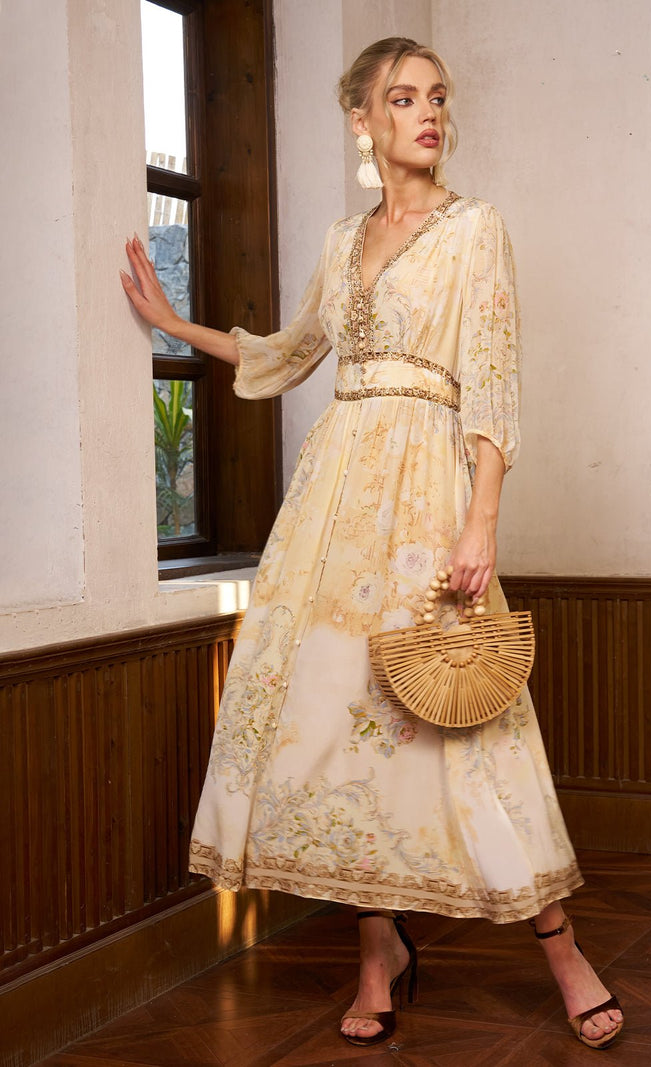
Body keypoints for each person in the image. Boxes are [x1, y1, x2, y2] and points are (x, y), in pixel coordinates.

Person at [121, 36, 624, 1052]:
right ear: (362, 120)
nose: (427, 114)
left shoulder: (474, 228)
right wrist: (176, 322)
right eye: (401, 99)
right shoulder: (341, 242)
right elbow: (292, 350)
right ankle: (375, 948)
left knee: (463, 719)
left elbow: (489, 379)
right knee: (339, 718)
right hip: (328, 504)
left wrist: (480, 516)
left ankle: (564, 948)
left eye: (436, 97)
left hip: (425, 494)